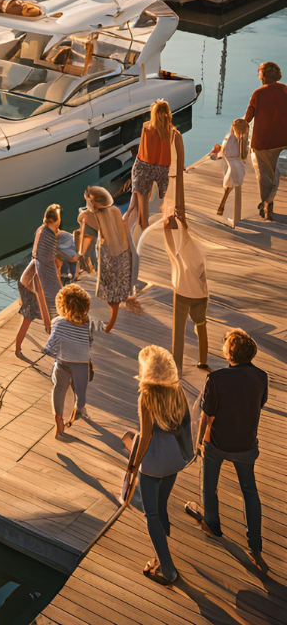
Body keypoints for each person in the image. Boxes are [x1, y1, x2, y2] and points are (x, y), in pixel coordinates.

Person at [186, 329, 268, 572]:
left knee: (208, 484)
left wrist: (199, 443)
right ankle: (255, 543)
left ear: (229, 353)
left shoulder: (216, 379)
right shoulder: (261, 376)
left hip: (218, 444)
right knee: (249, 491)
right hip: (246, 444)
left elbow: (206, 416)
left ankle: (212, 523)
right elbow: (260, 403)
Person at [121, 345, 193, 587]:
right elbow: (185, 424)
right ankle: (165, 537)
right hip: (174, 459)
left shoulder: (146, 396)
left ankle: (168, 569)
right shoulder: (178, 392)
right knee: (162, 504)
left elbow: (146, 435)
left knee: (150, 513)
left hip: (153, 464)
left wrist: (133, 465)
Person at [78, 186, 136, 332]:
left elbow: (83, 238)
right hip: (123, 256)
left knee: (109, 296)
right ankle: (111, 320)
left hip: (109, 258)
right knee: (114, 293)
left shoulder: (89, 216)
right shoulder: (115, 210)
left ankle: (108, 326)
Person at [44, 284, 94, 437]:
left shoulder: (58, 323)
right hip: (81, 363)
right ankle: (78, 410)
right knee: (80, 390)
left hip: (63, 362)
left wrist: (50, 351)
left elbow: (50, 346)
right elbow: (90, 342)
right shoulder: (89, 324)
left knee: (59, 389)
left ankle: (58, 420)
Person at [163, 210, 209, 373]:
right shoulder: (199, 256)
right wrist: (181, 223)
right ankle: (203, 360)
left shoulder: (179, 256)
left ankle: (177, 366)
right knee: (201, 326)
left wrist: (167, 228)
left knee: (178, 331)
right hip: (200, 295)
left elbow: (170, 245)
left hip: (181, 293)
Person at [128, 100, 184, 231]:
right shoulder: (174, 134)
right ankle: (166, 223)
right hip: (162, 169)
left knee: (142, 199)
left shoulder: (146, 128)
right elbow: (178, 163)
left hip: (143, 166)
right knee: (165, 201)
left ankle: (144, 227)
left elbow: (142, 154)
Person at [244, 61, 287, 221]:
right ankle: (269, 204)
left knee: (264, 175)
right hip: (282, 141)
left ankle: (265, 202)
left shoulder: (258, 93)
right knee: (275, 173)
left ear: (263, 76)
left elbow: (248, 118)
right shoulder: (285, 90)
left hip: (261, 142)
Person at [31, 204, 64, 326]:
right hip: (47, 270)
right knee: (55, 295)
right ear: (54, 220)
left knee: (52, 295)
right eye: (59, 217)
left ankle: (53, 323)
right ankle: (57, 324)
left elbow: (35, 253)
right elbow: (51, 257)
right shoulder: (49, 235)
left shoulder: (42, 229)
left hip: (41, 267)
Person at [210, 118, 249, 216]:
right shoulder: (240, 140)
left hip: (226, 162)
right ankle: (225, 207)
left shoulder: (228, 137)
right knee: (232, 186)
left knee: (228, 185)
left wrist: (216, 152)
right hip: (236, 164)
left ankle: (223, 206)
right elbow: (243, 156)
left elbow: (223, 151)